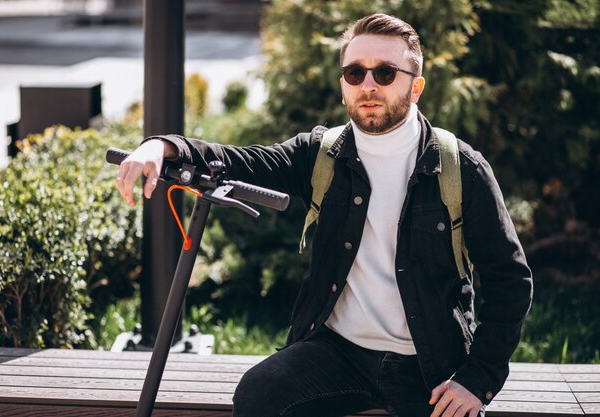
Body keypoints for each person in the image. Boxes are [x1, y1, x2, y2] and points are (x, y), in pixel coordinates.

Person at [116, 13, 533, 417]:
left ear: (416, 86)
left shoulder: (459, 167)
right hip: (339, 353)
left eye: (385, 73)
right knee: (258, 395)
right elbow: (239, 160)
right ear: (343, 86)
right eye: (356, 73)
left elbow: (509, 280)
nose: (368, 85)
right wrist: (163, 147)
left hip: (431, 366)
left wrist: (477, 378)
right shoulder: (322, 155)